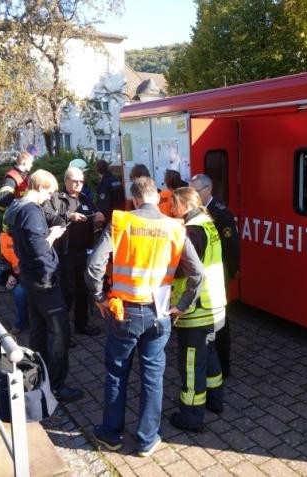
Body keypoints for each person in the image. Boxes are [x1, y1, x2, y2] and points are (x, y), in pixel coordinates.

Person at [85, 177, 204, 457]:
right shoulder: (175, 227)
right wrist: (183, 304)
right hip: (159, 314)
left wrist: (99, 297)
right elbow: (197, 273)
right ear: (155, 197)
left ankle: (112, 435)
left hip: (125, 312)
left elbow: (93, 266)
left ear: (135, 198)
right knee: (152, 376)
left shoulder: (122, 222)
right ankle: (147, 439)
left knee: (117, 373)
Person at [4, 169, 83, 402]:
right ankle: (57, 385)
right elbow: (40, 250)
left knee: (38, 328)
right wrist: (53, 236)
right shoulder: (31, 211)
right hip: (44, 279)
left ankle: (37, 375)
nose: (50, 197)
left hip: (30, 276)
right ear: (39, 187)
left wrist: (45, 234)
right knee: (59, 331)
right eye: (49, 192)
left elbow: (27, 242)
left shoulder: (16, 208)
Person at [169, 187, 226, 433]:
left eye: (173, 205)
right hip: (215, 307)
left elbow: (186, 269)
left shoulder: (191, 231)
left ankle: (192, 415)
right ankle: (216, 401)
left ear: (183, 205)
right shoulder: (208, 224)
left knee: (191, 364)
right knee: (210, 356)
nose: (171, 210)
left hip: (196, 310)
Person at [43, 166, 105, 338]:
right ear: (66, 181)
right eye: (74, 181)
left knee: (82, 290)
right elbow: (46, 216)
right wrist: (68, 216)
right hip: (64, 253)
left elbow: (95, 215)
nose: (78, 184)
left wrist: (100, 217)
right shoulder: (56, 198)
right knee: (67, 292)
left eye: (81, 181)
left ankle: (82, 324)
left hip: (83, 251)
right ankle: (63, 332)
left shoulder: (85, 199)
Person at [189, 174, 239, 378]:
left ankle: (224, 366)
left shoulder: (221, 214)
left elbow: (232, 247)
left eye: (196, 191)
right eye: (191, 191)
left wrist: (232, 273)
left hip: (218, 275)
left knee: (220, 321)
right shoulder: (195, 213)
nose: (193, 195)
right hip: (203, 276)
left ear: (208, 189)